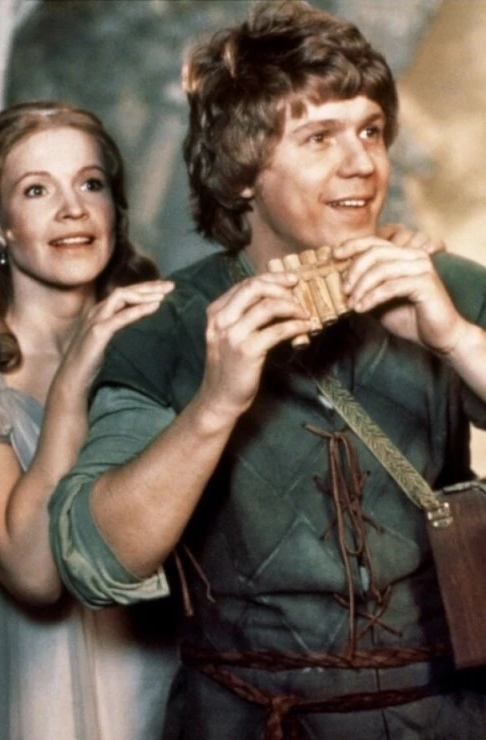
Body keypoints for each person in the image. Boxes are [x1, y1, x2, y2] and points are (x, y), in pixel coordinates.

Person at [48, 3, 486, 738]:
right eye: (320, 137)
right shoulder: (164, 325)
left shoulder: (447, 287)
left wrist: (454, 338)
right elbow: (97, 562)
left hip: (446, 715)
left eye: (371, 130)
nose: (362, 162)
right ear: (241, 171)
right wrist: (215, 404)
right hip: (248, 720)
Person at [0, 101, 178, 740]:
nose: (72, 209)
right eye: (37, 190)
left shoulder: (162, 343)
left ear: (115, 208)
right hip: (30, 703)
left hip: (162, 689)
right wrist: (72, 384)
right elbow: (34, 572)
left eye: (90, 183)